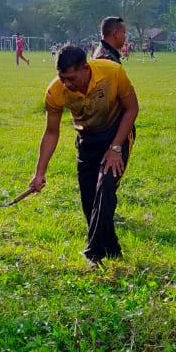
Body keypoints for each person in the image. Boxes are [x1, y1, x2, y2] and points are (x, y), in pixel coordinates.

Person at [29, 44, 139, 266]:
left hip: (116, 135)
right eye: (62, 78)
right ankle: (112, 248)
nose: (67, 84)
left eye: (71, 78)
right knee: (89, 200)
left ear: (85, 68)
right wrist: (39, 173)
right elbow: (51, 132)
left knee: (105, 187)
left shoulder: (112, 72)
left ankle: (93, 252)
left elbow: (132, 108)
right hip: (87, 140)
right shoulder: (55, 91)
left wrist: (115, 148)